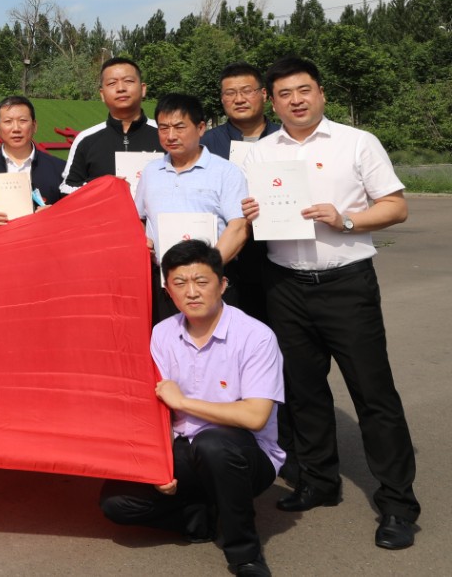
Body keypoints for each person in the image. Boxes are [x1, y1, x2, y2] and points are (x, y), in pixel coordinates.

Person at [240, 57, 418, 550]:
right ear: (271, 102)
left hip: (346, 284)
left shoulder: (356, 142)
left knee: (373, 394)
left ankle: (398, 503)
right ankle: (320, 481)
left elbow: (396, 206)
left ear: (320, 93)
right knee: (304, 391)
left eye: (304, 90)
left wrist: (346, 219)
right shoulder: (259, 153)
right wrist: (247, 211)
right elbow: (245, 210)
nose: (295, 100)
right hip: (284, 284)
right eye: (284, 94)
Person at [99, 240, 283, 577]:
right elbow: (153, 410)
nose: (192, 292)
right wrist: (158, 462)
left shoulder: (256, 337)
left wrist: (183, 402)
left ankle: (245, 553)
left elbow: (255, 417)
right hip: (185, 447)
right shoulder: (161, 334)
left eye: (201, 281)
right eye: (180, 283)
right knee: (115, 502)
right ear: (167, 290)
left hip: (245, 454)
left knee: (214, 444)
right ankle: (199, 516)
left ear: (222, 284)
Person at [134, 94, 250, 322]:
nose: (170, 136)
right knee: (167, 340)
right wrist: (141, 241)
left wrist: (205, 269)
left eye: (179, 127)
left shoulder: (226, 172)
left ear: (201, 128)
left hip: (212, 281)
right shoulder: (150, 172)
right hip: (164, 283)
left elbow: (238, 227)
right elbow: (139, 219)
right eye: (163, 128)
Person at [202, 62, 281, 323]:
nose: (239, 99)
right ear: (222, 98)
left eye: (247, 91)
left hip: (280, 256)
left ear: (264, 94)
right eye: (230, 93)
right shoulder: (207, 144)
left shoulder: (286, 139)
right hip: (227, 257)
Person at [61, 56, 161, 194]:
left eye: (128, 81)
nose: (121, 88)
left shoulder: (165, 134)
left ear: (143, 89)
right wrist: (102, 187)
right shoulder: (86, 140)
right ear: (102, 94)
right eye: (112, 83)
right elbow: (66, 189)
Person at [0, 95, 64, 229]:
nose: (16, 128)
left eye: (23, 121)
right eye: (8, 121)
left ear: (34, 125)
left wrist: (56, 213)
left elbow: (74, 211)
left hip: (43, 238)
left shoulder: (60, 168)